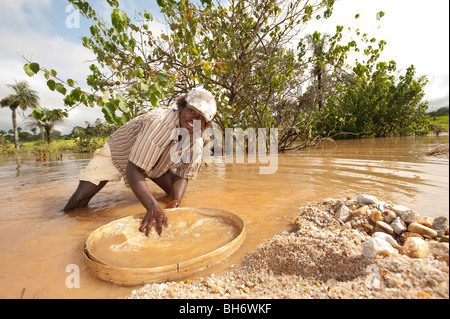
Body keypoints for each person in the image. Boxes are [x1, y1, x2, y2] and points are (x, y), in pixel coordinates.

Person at [63, 87, 217, 236]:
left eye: (200, 118)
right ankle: (62, 223)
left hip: (154, 163)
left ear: (205, 124)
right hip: (119, 153)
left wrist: (175, 203)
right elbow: (134, 169)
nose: (193, 120)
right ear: (182, 108)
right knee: (78, 202)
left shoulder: (195, 141)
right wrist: (151, 207)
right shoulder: (161, 124)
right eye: (191, 111)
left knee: (174, 196)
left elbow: (183, 175)